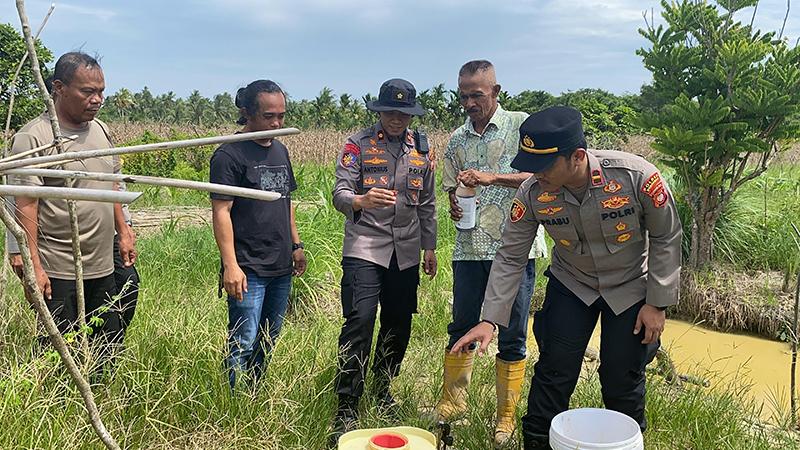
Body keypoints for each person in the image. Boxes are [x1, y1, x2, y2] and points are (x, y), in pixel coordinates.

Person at [452, 106, 682, 449]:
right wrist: (490, 320)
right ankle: (537, 443)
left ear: (577, 156)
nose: (534, 174)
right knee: (554, 371)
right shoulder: (532, 192)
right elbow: (512, 256)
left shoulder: (636, 177)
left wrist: (657, 302)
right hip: (573, 284)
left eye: (543, 165)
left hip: (631, 287)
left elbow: (666, 235)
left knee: (622, 376)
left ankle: (626, 442)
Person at [435, 59, 547, 445]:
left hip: (515, 249)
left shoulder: (522, 126)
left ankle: (506, 416)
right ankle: (454, 403)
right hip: (469, 249)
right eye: (464, 95)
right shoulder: (457, 139)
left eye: (477, 95)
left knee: (513, 333)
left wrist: (491, 177)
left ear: (496, 92)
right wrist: (453, 202)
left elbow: (540, 175)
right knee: (462, 325)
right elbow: (451, 186)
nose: (469, 102)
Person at [9, 52, 137, 364]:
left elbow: (113, 183)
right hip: (60, 261)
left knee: (112, 328)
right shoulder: (34, 137)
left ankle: (101, 392)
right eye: (88, 92)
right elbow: (24, 204)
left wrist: (124, 229)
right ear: (59, 88)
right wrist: (33, 266)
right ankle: (55, 401)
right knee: (58, 344)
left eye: (101, 91)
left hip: (103, 256)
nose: (97, 100)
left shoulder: (101, 130)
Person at [329, 78, 437, 443]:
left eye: (404, 113)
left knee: (398, 324)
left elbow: (428, 203)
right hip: (365, 245)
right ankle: (347, 404)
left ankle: (382, 388)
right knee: (359, 320)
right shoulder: (357, 145)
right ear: (380, 111)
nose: (396, 119)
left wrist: (430, 247)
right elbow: (340, 192)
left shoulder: (421, 149)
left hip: (406, 250)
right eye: (390, 111)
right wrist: (360, 201)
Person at [209, 79, 307, 390]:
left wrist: (296, 244)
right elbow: (221, 212)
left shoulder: (280, 149)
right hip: (248, 267)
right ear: (247, 113)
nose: (277, 123)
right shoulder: (229, 155)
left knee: (268, 337)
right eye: (269, 116)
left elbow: (286, 201)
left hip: (280, 265)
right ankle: (235, 403)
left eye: (282, 116)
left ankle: (256, 392)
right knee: (243, 339)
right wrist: (231, 266)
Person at [6, 197, 140, 332]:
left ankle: (102, 344)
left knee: (127, 283)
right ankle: (67, 347)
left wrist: (125, 224)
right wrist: (17, 248)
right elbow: (21, 193)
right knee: (61, 312)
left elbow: (113, 181)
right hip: (57, 244)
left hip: (105, 236)